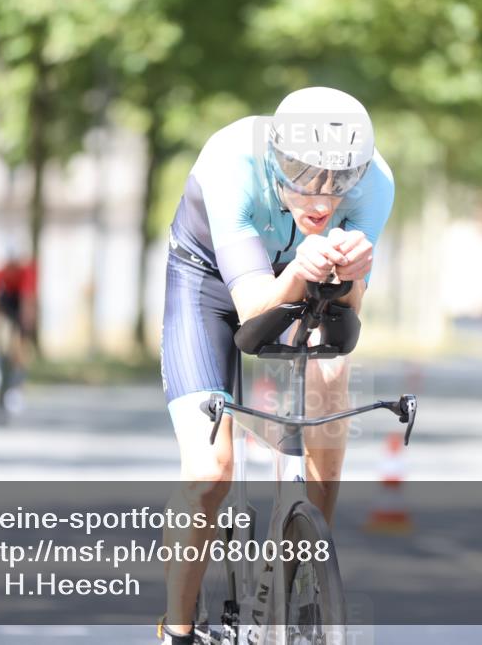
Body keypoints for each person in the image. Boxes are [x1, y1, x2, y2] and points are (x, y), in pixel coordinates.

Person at [158, 87, 394, 644]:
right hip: (210, 281)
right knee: (211, 472)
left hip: (298, 273)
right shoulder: (231, 161)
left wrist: (354, 278)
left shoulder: (375, 183)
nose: (323, 198)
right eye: (305, 175)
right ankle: (177, 628)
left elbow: (346, 325)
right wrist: (298, 274)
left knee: (331, 379)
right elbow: (253, 317)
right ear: (276, 158)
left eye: (340, 181)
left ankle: (306, 572)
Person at [0, 245, 37, 418]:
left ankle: (17, 386)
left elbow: (27, 300)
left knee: (19, 351)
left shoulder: (26, 273)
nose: (10, 269)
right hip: (4, 308)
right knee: (1, 345)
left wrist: (25, 326)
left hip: (19, 307)